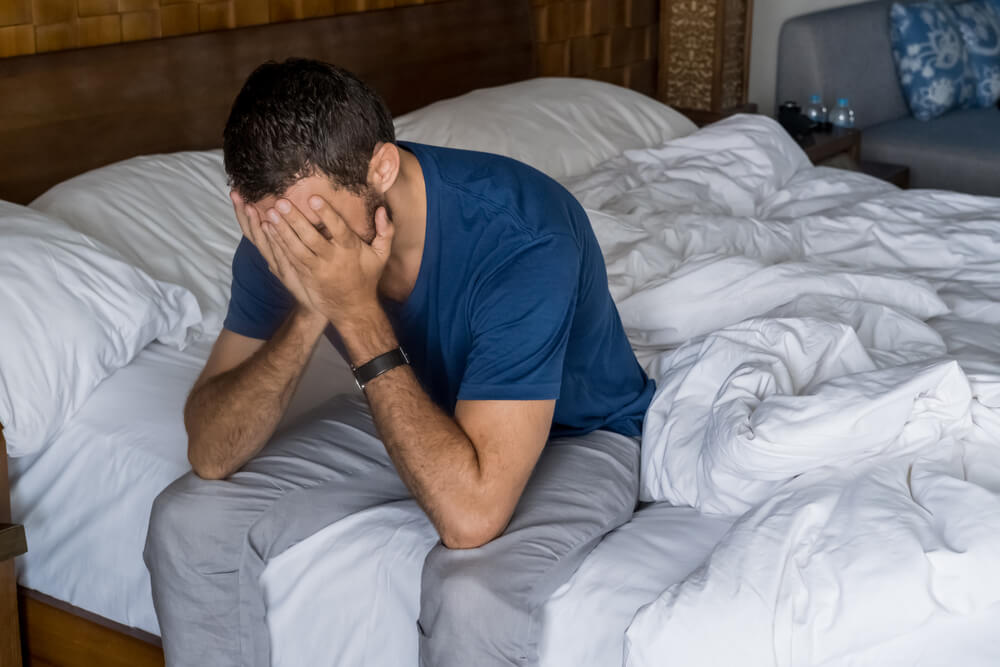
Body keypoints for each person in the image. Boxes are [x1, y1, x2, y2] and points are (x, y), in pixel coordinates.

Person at [144, 58, 654, 667]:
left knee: (471, 595)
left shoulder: (525, 235)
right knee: (188, 521)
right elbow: (211, 451)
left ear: (381, 168)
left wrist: (353, 313)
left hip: (576, 432)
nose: (300, 247)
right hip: (408, 400)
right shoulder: (284, 232)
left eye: (316, 227)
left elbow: (470, 516)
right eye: (277, 229)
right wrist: (313, 307)